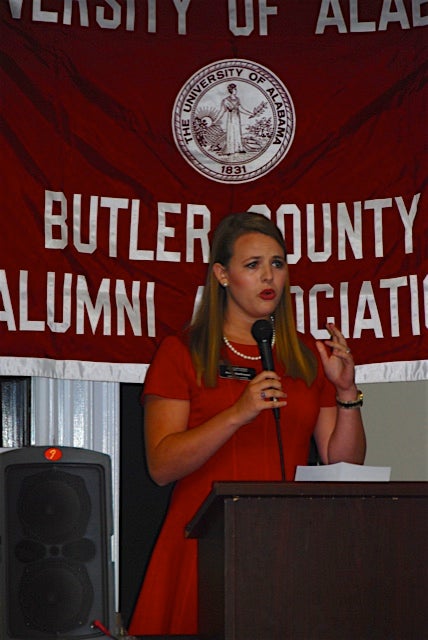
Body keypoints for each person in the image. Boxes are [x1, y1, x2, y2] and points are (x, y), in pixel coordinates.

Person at [128, 211, 366, 636]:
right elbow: (161, 466)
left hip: (289, 542)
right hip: (204, 543)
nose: (268, 276)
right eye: (252, 265)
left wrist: (347, 392)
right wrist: (237, 414)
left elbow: (340, 462)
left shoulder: (309, 356)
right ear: (221, 275)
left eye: (277, 263)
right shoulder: (182, 351)